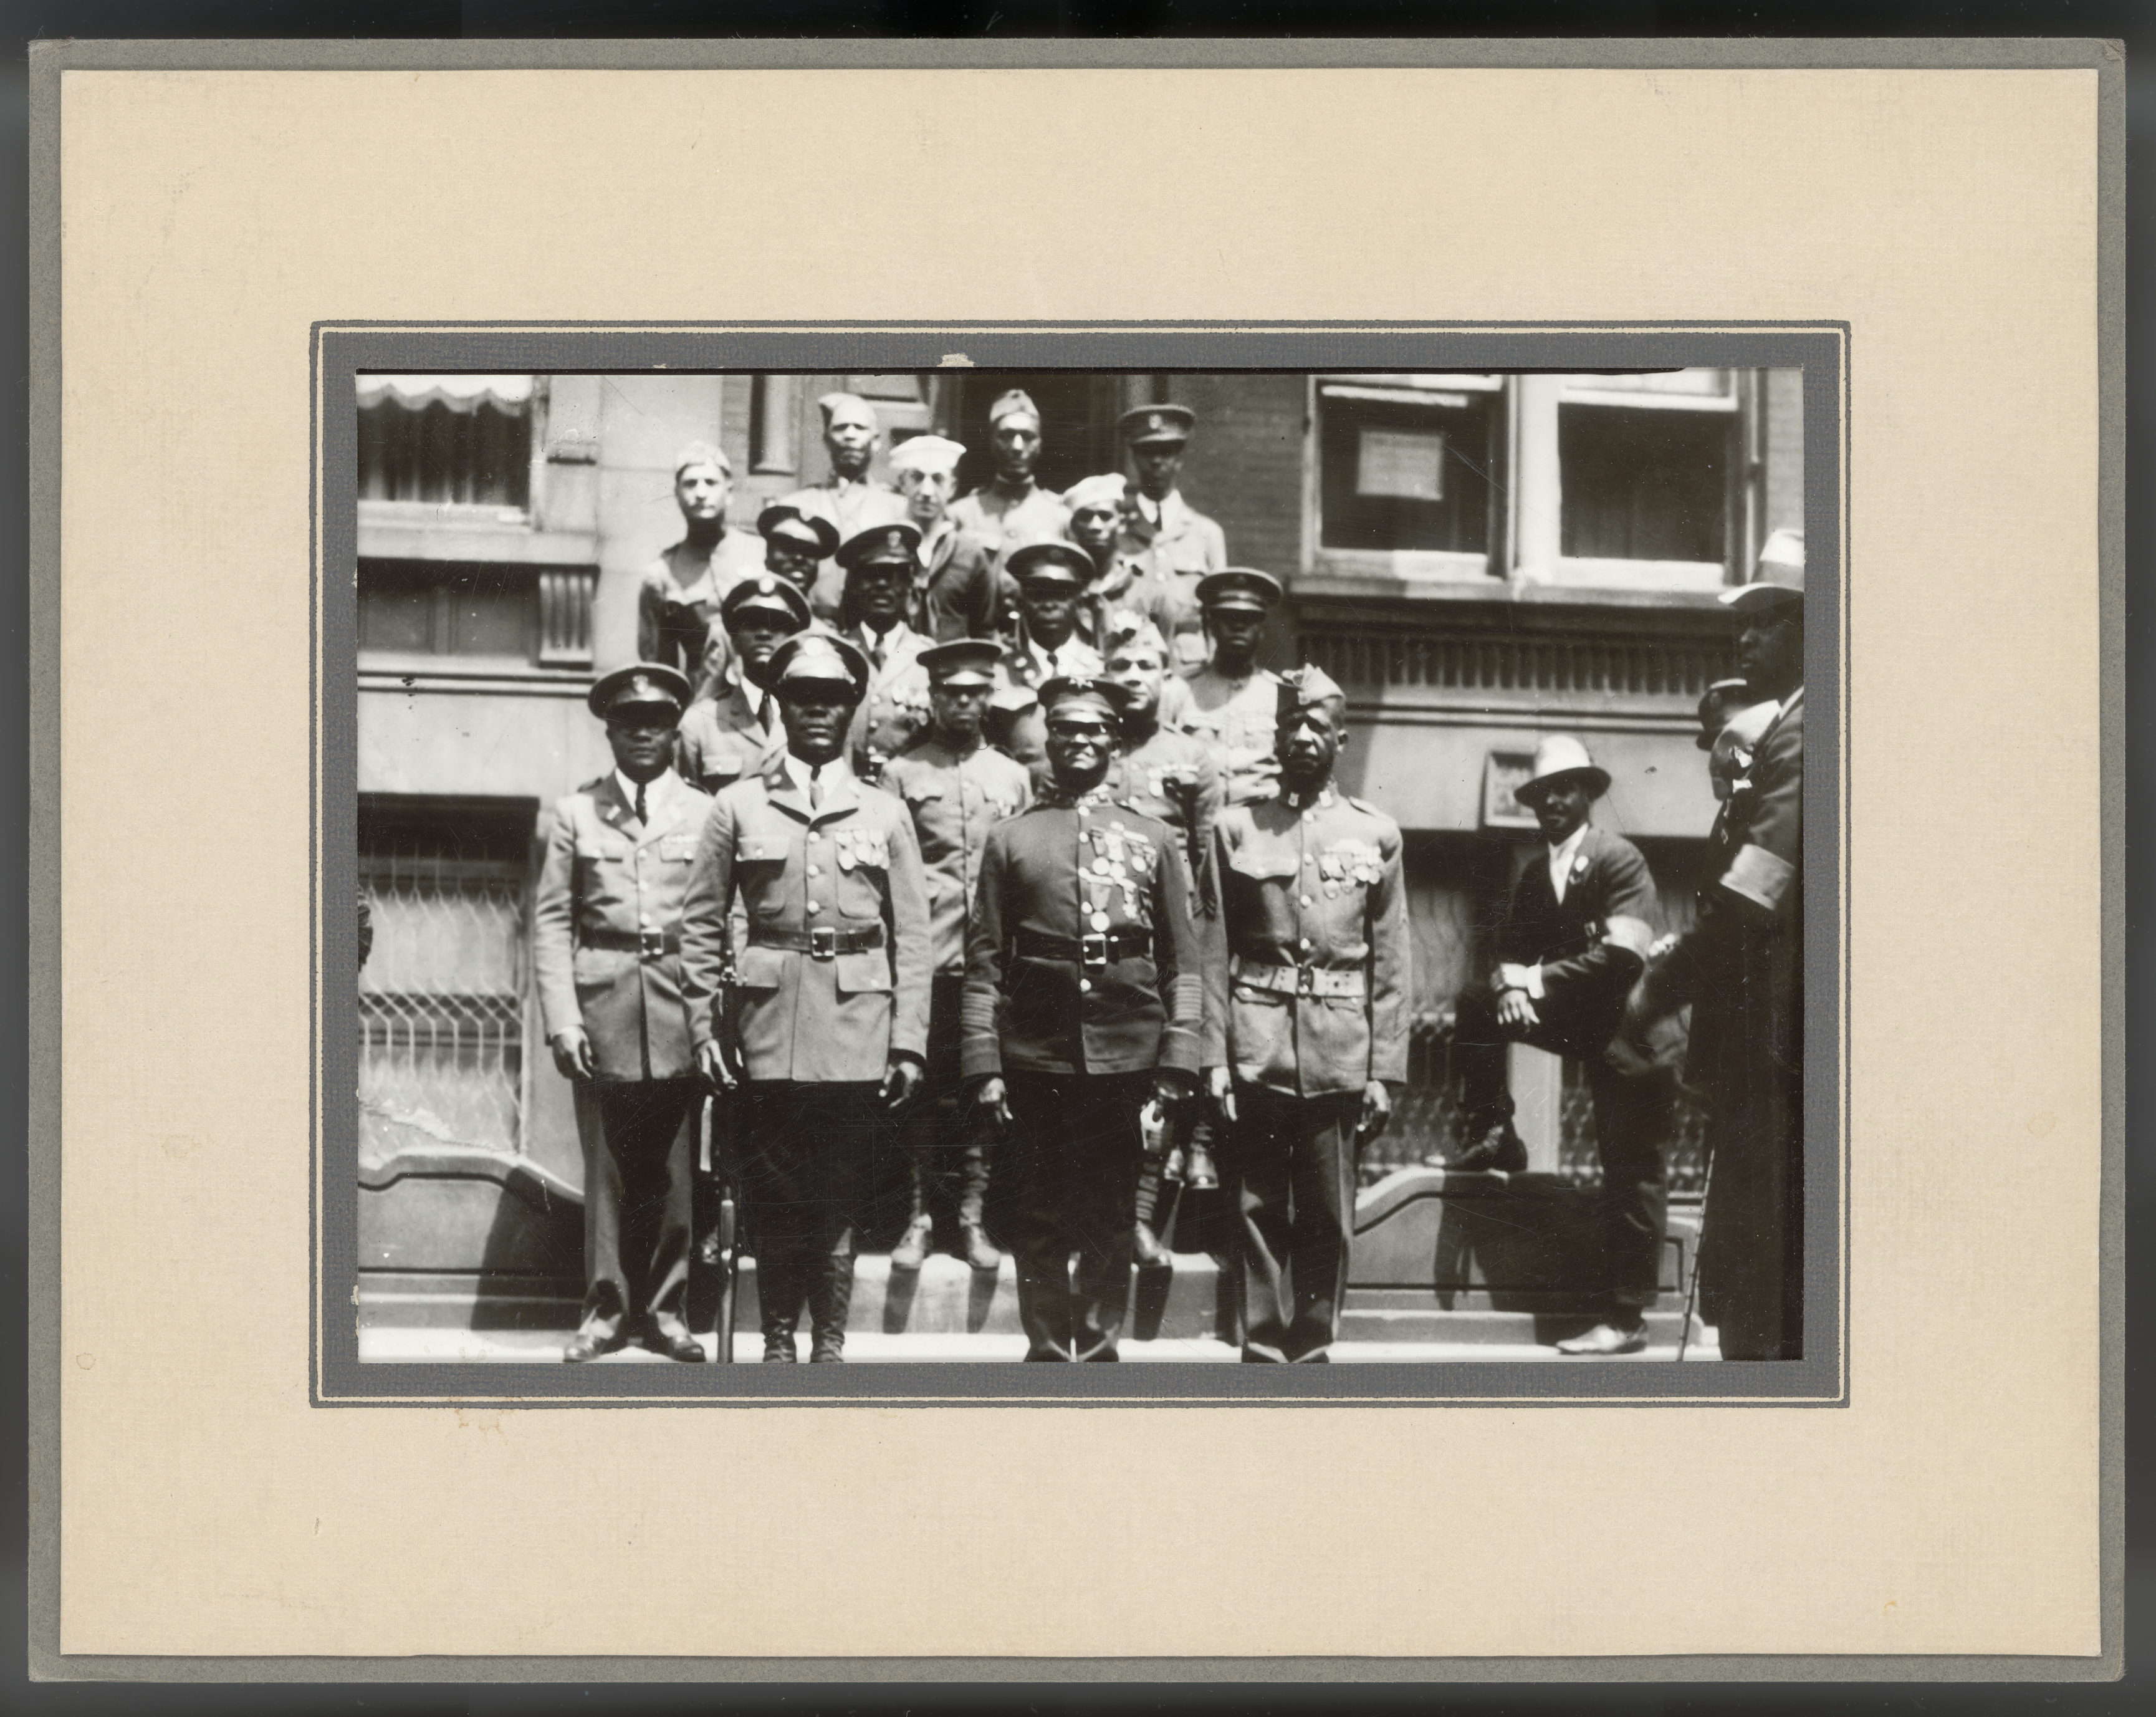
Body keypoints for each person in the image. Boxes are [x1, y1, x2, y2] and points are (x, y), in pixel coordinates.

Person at [678, 632, 932, 1363]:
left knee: (838, 1197)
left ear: (853, 707)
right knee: (774, 1196)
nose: (817, 711)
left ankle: (830, 1344)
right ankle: (778, 1342)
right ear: (780, 705)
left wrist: (909, 1040)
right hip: (767, 1028)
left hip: (858, 1026)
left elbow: (912, 935)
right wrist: (706, 1030)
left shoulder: (884, 812)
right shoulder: (736, 806)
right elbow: (700, 927)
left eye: (832, 699)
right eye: (802, 698)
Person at [960, 676, 1204, 1361]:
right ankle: (1044, 1348)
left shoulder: (1152, 838)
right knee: (1035, 1213)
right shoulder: (1011, 839)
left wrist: (1177, 1061)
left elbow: (1184, 962)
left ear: (1116, 743)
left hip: (1125, 1050)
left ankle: (1097, 1350)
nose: (1081, 742)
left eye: (1095, 730)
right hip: (1036, 1051)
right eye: (1066, 730)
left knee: (1107, 1211)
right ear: (1048, 740)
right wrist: (985, 1064)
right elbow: (984, 961)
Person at [1205, 667, 1408, 1363]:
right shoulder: (1236, 828)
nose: (1301, 739)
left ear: (1340, 740)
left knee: (1327, 1213)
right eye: (1290, 727)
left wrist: (1384, 1072)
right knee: (1256, 1208)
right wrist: (1214, 1059)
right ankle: (1262, 1348)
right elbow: (1210, 953)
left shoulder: (1375, 835)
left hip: (1339, 1050)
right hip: (1256, 1043)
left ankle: (1314, 1346)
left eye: (1316, 727)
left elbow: (1393, 963)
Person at [1639, 530, 1806, 1362]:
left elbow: (1756, 887)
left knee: (1770, 1271)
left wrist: (1657, 986)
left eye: (1768, 619)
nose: (1745, 638)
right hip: (1757, 1044)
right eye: (1741, 622)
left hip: (1782, 1045)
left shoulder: (1808, 730)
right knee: (1754, 1262)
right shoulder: (1791, 726)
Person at [1446, 734, 1663, 1355]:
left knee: (1630, 1171)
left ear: (1590, 794)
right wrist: (1508, 986)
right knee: (1477, 1004)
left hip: (1632, 1038)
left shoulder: (1619, 858)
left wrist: (1531, 981)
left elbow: (1625, 958)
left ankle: (1626, 1322)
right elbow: (1509, 955)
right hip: (1582, 1025)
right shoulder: (1536, 875)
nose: (1553, 802)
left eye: (1565, 789)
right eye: (1543, 793)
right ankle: (1494, 1130)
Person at [532, 664, 711, 1364]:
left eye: (657, 722)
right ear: (609, 730)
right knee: (605, 1171)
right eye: (629, 723)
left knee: (674, 1173)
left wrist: (709, 1016)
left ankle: (668, 1311)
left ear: (675, 730)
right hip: (601, 1004)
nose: (643, 733)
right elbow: (550, 923)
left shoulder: (704, 811)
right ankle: (605, 1311)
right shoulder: (577, 814)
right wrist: (563, 1019)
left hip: (677, 1003)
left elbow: (719, 917)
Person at [879, 640, 1035, 1273]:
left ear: (988, 698)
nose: (964, 704)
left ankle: (970, 1218)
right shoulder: (902, 773)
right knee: (920, 1092)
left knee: (982, 1091)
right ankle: (918, 1218)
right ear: (932, 698)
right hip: (928, 959)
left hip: (992, 963)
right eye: (951, 693)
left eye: (975, 693)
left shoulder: (1011, 775)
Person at [1100, 616, 1224, 1262]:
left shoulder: (1192, 758)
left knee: (1168, 1073)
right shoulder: (1092, 749)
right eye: (1120, 668)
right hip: (1108, 939)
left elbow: (1207, 860)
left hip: (1172, 935)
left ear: (1164, 677)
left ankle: (1143, 1217)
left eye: (1145, 667)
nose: (1133, 679)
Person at [638, 442, 767, 686]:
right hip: (701, 701)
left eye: (710, 482)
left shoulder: (762, 553)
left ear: (729, 493)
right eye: (690, 483)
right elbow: (659, 668)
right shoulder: (661, 573)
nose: (700, 493)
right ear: (676, 494)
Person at [674, 574, 808, 795]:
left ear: (793, 641)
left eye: (777, 625)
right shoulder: (700, 722)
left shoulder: (814, 717)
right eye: (752, 624)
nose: (764, 634)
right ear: (734, 639)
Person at [1115, 404, 1227, 668]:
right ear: (1133, 458)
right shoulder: (1116, 531)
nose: (1157, 461)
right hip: (1128, 669)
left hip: (1189, 672)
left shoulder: (1206, 534)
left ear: (1180, 458)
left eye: (1166, 452)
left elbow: (1218, 618)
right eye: (1147, 452)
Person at [867, 433, 1007, 643]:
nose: (927, 490)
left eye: (938, 479)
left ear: (952, 488)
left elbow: (984, 631)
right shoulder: (879, 549)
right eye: (917, 477)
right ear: (902, 483)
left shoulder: (970, 554)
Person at [833, 522, 936, 777]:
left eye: (894, 575)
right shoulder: (834, 652)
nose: (882, 585)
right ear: (855, 584)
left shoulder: (929, 659)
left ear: (910, 585)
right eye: (871, 575)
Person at [1178, 569, 1286, 806]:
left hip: (1257, 825)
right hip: (1197, 818)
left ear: (1261, 630)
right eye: (1228, 618)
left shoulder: (1279, 693)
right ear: (1213, 626)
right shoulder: (1181, 690)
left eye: (1248, 620)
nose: (1238, 627)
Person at [778, 393, 907, 577]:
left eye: (860, 427)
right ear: (827, 440)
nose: (849, 435)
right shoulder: (799, 505)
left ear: (876, 441)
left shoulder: (898, 508)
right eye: (840, 428)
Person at [949, 388, 1069, 556]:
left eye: (1028, 436)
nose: (1017, 447)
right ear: (991, 442)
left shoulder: (1061, 515)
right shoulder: (961, 513)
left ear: (1040, 445)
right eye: (1007, 436)